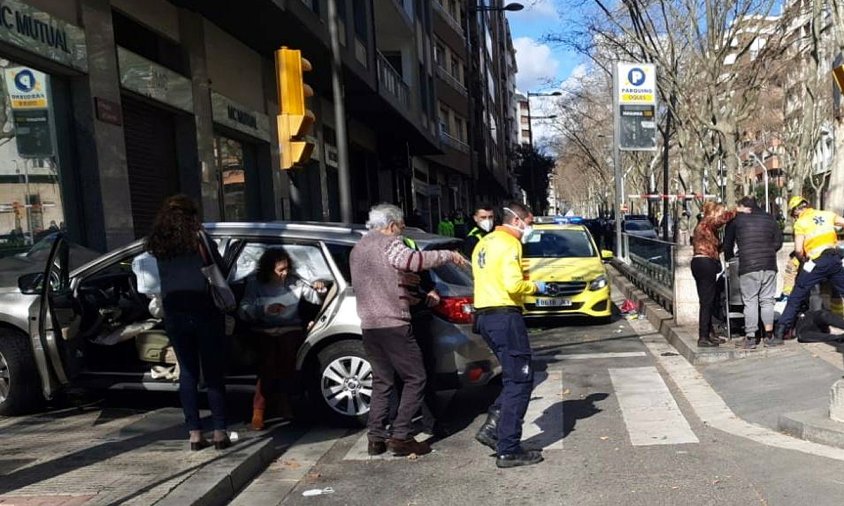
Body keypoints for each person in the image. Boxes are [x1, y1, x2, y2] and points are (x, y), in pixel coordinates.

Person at [349, 203, 466, 457]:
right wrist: (448, 255)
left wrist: (402, 288)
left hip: (370, 325)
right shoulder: (389, 243)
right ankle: (401, 435)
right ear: (391, 225)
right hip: (394, 325)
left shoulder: (358, 248)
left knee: (382, 382)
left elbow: (377, 282)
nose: (402, 234)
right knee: (416, 377)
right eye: (401, 228)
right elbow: (413, 260)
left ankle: (375, 437)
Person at [146, 195, 230, 451]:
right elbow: (220, 268)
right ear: (191, 215)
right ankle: (219, 432)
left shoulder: (158, 242)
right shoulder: (199, 239)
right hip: (204, 309)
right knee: (213, 372)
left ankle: (194, 434)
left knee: (188, 372)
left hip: (175, 312)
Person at [472, 201, 546, 469]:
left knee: (513, 377)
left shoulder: (484, 242)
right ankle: (508, 447)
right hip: (504, 316)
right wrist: (537, 287)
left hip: (484, 316)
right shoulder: (510, 244)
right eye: (531, 221)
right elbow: (514, 285)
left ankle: (495, 426)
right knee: (521, 381)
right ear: (518, 220)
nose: (531, 227)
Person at [239, 248, 327, 430]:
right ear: (268, 270)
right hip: (263, 328)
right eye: (280, 270)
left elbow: (315, 298)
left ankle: (281, 401)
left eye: (287, 268)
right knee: (268, 362)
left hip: (290, 327)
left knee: (288, 359)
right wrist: (263, 310)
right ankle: (260, 409)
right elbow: (244, 308)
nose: (284, 273)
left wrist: (319, 288)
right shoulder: (255, 284)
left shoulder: (295, 282)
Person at [771, 196, 844, 345]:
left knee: (797, 295)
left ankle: (780, 331)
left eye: (794, 214)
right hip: (834, 259)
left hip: (815, 262)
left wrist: (803, 260)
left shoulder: (800, 223)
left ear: (796, 211)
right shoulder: (826, 214)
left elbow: (798, 250)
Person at [723, 196, 782, 349]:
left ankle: (750, 338)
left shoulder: (736, 220)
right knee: (767, 300)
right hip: (769, 264)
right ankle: (769, 336)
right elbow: (778, 242)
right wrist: (768, 252)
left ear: (742, 206)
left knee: (750, 301)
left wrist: (730, 258)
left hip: (748, 265)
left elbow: (727, 244)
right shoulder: (769, 218)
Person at [691, 201, 735, 348]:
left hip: (702, 263)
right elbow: (719, 221)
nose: (722, 215)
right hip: (705, 263)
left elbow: (715, 246)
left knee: (708, 300)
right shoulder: (707, 222)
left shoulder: (705, 227)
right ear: (714, 212)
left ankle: (709, 333)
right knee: (706, 302)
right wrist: (736, 212)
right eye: (720, 212)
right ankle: (703, 336)